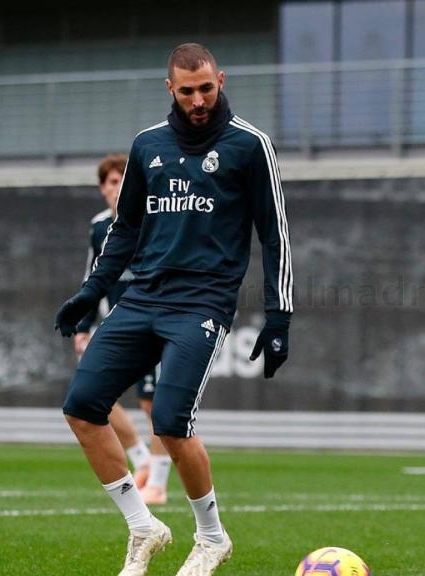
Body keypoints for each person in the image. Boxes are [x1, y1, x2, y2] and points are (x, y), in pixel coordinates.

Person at [54, 42, 293, 576]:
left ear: (221, 80)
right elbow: (126, 230)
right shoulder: (147, 146)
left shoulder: (250, 145)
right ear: (171, 89)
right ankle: (143, 527)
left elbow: (275, 235)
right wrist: (92, 291)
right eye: (187, 90)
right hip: (142, 298)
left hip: (203, 303)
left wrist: (279, 316)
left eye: (207, 87)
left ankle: (211, 538)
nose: (199, 99)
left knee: (170, 422)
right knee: (81, 406)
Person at [72, 154, 172, 505]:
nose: (118, 189)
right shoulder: (99, 226)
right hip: (116, 323)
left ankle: (157, 483)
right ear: (102, 189)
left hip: (157, 320)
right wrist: (83, 324)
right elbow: (92, 274)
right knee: (92, 394)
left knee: (155, 403)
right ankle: (142, 462)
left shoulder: (156, 217)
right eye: (112, 183)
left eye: (123, 182)